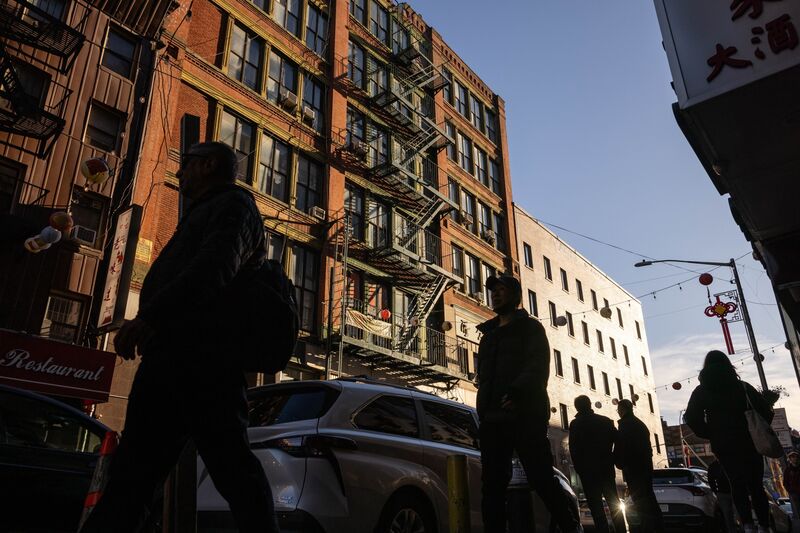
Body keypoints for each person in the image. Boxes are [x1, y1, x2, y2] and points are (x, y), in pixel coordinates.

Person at [80, 142, 280, 533]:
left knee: (232, 471)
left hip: (203, 362)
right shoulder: (210, 209)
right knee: (137, 474)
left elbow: (214, 268)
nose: (179, 172)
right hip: (175, 358)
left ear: (207, 165)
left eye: (185, 164)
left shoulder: (234, 206)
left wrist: (151, 316)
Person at [476, 274, 580, 532]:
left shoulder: (531, 328)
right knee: (492, 485)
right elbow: (486, 376)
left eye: (502, 290)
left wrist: (517, 394)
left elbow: (537, 366)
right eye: (494, 291)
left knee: (541, 478)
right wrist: (484, 409)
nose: (496, 294)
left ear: (515, 296)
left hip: (525, 416)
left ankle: (570, 526)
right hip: (492, 419)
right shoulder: (488, 335)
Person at [684, 350, 773, 533]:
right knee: (755, 485)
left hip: (724, 444)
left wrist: (711, 433)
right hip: (749, 441)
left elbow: (691, 418)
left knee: (736, 484)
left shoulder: (702, 391)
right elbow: (766, 412)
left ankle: (747, 525)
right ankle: (764, 525)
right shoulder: (742, 387)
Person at [569, 395, 626, 532]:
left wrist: (579, 468)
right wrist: (613, 457)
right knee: (614, 504)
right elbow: (619, 440)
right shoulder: (605, 421)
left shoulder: (576, 424)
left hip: (588, 472)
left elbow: (574, 449)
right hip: (605, 468)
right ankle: (621, 530)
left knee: (596, 508)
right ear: (590, 404)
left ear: (577, 407)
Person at [613, 399, 664, 533]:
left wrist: (619, 462)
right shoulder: (640, 425)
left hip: (634, 468)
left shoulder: (625, 425)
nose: (618, 412)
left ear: (622, 409)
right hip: (644, 467)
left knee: (641, 501)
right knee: (648, 498)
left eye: (618, 409)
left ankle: (648, 528)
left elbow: (622, 447)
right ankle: (656, 526)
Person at [708, 457, 737, 533]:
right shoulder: (714, 466)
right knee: (728, 514)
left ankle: (740, 529)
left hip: (732, 492)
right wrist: (716, 491)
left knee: (731, 514)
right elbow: (711, 480)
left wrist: (715, 490)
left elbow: (711, 480)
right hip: (723, 493)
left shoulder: (731, 463)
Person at [783, 451, 800, 524]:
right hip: (794, 493)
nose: (795, 458)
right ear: (790, 459)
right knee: (797, 509)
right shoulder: (788, 470)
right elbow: (785, 482)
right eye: (793, 457)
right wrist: (790, 491)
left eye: (796, 457)